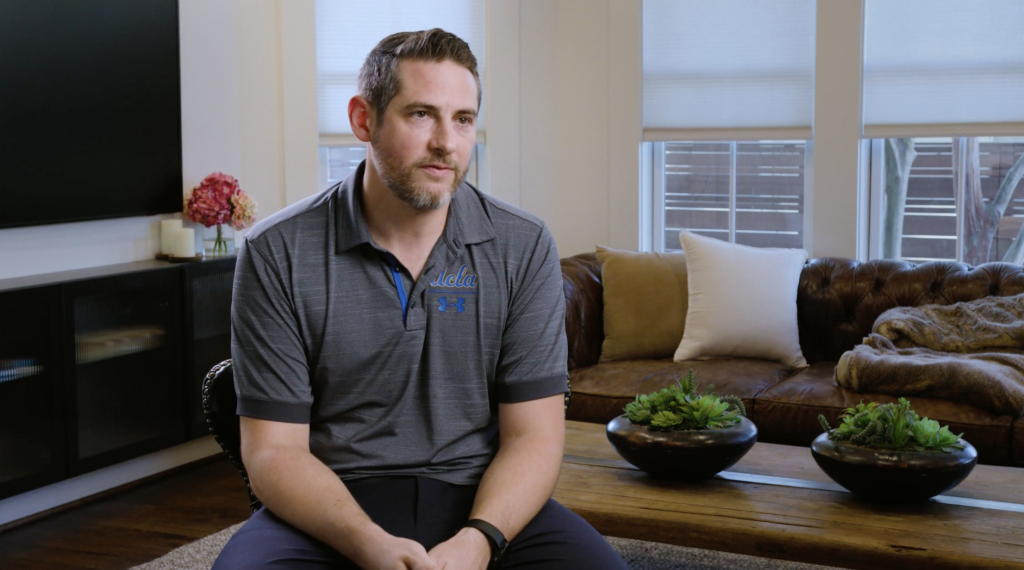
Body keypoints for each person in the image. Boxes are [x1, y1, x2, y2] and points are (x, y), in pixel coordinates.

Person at [211, 29, 628, 570]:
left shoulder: (523, 246)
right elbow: (274, 451)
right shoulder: (276, 251)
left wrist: (480, 540)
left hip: (482, 499)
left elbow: (534, 437)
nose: (446, 143)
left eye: (463, 119)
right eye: (421, 114)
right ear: (364, 119)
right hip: (333, 504)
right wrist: (367, 543)